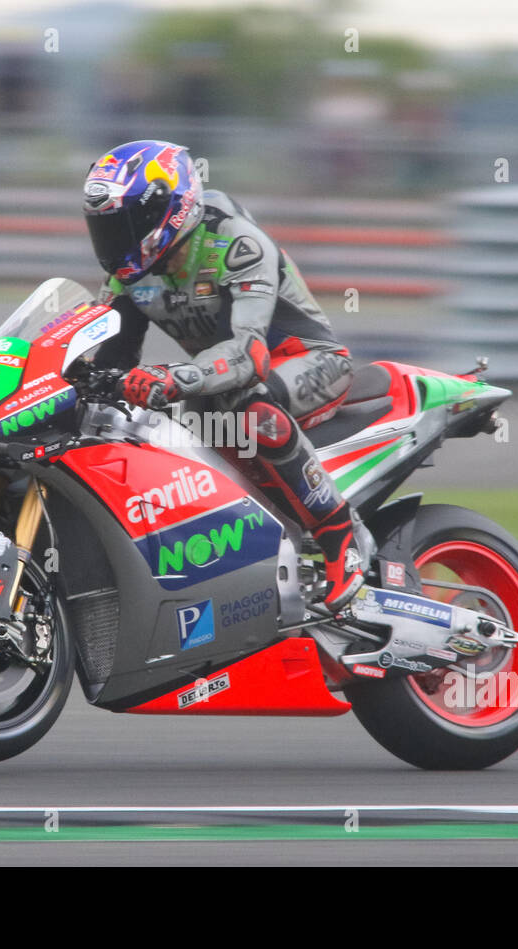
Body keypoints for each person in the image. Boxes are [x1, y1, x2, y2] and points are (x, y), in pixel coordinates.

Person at [81, 139, 371, 610]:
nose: (113, 240)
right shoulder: (129, 274)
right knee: (154, 432)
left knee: (248, 408)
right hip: (219, 379)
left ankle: (343, 542)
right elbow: (109, 360)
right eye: (105, 227)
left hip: (309, 362)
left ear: (170, 211)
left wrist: (174, 380)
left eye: (124, 223)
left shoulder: (234, 242)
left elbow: (248, 354)